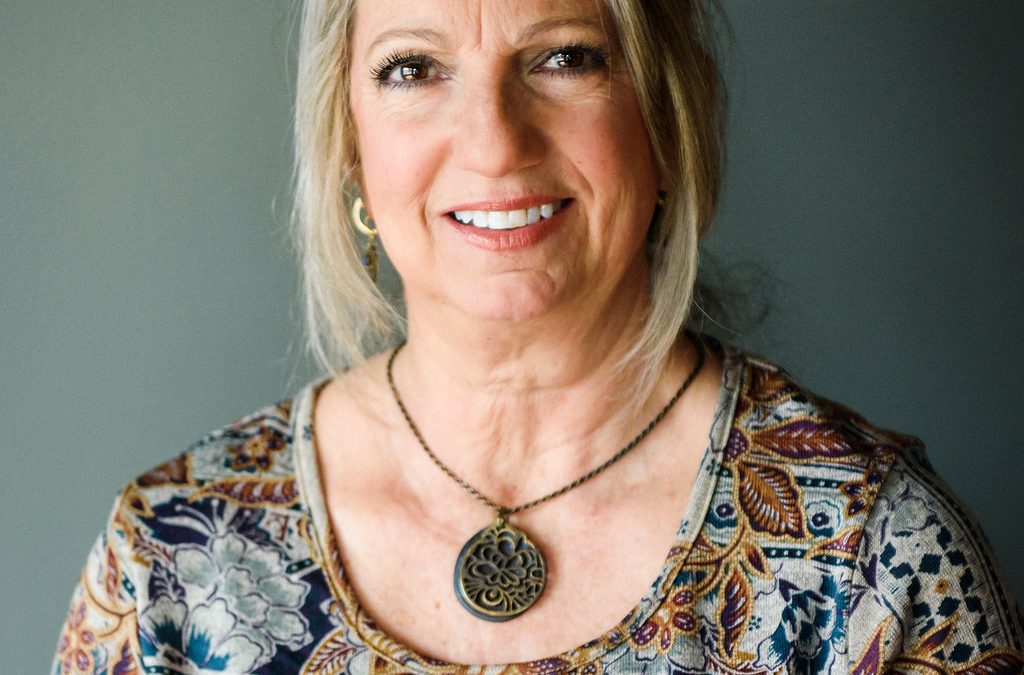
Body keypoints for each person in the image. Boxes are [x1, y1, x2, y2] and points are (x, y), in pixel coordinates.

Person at [54, 0, 1023, 672]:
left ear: (665, 119)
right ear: (350, 147)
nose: (494, 142)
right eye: (413, 68)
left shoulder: (869, 550)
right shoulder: (171, 558)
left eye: (564, 57)